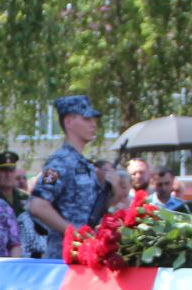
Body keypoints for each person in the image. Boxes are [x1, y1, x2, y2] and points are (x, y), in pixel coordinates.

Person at [29, 96, 123, 257]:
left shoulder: (84, 164)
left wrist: (114, 188)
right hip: (64, 256)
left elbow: (94, 208)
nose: (93, 124)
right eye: (86, 119)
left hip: (85, 253)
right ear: (69, 122)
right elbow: (37, 205)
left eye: (93, 119)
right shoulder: (60, 162)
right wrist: (73, 232)